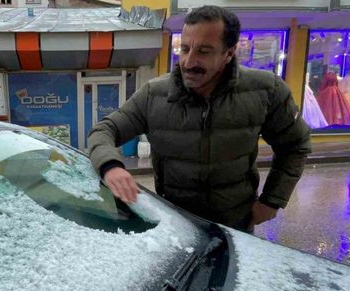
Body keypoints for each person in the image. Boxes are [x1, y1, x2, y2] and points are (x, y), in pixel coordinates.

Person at [87, 5, 312, 233]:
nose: (188, 61)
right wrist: (110, 166)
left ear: (229, 53)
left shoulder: (267, 90)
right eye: (184, 49)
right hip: (175, 225)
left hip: (236, 226)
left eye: (203, 51)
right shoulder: (154, 94)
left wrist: (271, 201)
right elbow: (104, 130)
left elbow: (295, 145)